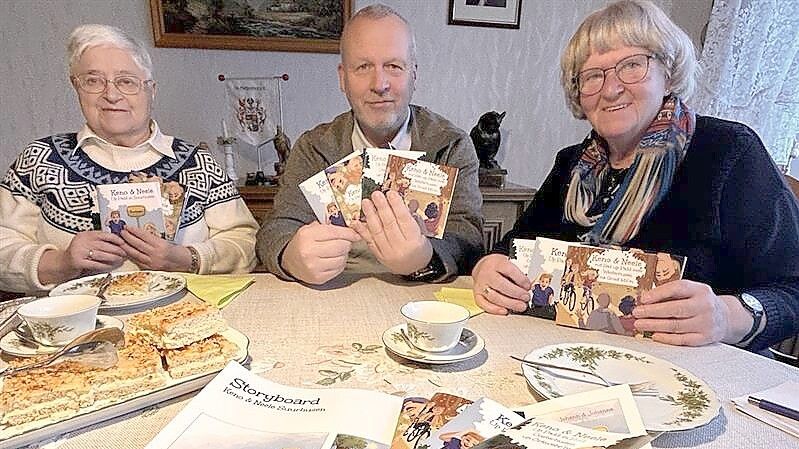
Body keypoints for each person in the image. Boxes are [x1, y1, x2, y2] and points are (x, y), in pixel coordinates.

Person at [472, 0, 799, 352]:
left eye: (632, 65)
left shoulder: (729, 151)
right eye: (593, 76)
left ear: (668, 72)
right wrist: (489, 267)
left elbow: (792, 288)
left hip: (697, 373)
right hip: (576, 362)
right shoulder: (571, 164)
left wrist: (727, 315)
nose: (611, 89)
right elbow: (516, 248)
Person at [0, 24, 258, 294]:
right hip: (78, 326)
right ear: (75, 87)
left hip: (180, 319)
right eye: (93, 80)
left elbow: (245, 243)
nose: (111, 95)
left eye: (126, 81)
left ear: (151, 90)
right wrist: (61, 262)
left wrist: (185, 259)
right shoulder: (40, 159)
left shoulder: (197, 163)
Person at [257, 4, 483, 285]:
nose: (380, 84)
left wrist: (425, 258)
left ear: (414, 74)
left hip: (424, 298)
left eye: (394, 66)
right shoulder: (314, 147)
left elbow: (471, 240)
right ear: (343, 78)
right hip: (333, 296)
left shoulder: (451, 144)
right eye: (363, 67)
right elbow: (274, 229)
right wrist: (290, 256)